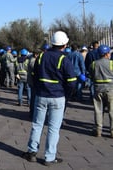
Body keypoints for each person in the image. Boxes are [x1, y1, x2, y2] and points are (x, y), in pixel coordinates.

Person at [22, 31, 77, 166]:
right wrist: (67, 94)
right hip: (57, 97)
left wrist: (39, 88)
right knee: (53, 128)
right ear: (64, 44)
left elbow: (35, 76)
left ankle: (32, 152)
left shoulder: (41, 57)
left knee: (37, 124)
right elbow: (71, 81)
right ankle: (49, 157)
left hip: (41, 95)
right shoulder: (64, 59)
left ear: (52, 43)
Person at [89, 45, 113, 137]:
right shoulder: (111, 63)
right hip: (110, 89)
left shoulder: (94, 64)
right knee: (112, 110)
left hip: (97, 89)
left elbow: (91, 75)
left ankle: (98, 130)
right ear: (107, 54)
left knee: (98, 110)